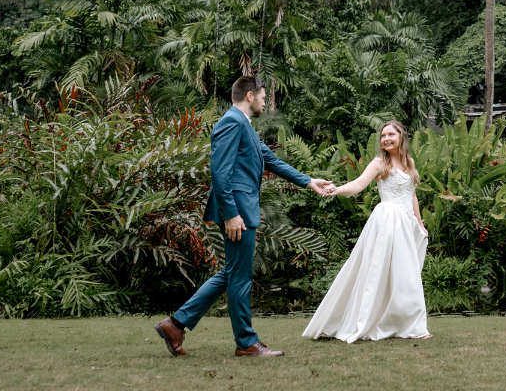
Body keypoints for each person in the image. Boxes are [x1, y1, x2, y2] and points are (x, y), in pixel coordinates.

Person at [154, 76, 335, 357]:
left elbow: (271, 161)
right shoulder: (231, 122)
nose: (265, 101)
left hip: (242, 209)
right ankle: (246, 343)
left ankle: (176, 324)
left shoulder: (244, 126)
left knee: (232, 273)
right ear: (250, 95)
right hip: (237, 211)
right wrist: (230, 214)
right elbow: (219, 170)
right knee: (239, 277)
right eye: (263, 96)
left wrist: (309, 181)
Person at [302, 120, 432, 342]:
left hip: (405, 223)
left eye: (391, 134)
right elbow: (358, 184)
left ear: (401, 137)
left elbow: (412, 195)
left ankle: (411, 324)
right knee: (380, 273)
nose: (386, 139)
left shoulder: (409, 163)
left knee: (406, 275)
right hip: (388, 221)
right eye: (383, 136)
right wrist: (336, 190)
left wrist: (419, 223)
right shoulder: (379, 163)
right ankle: (372, 321)